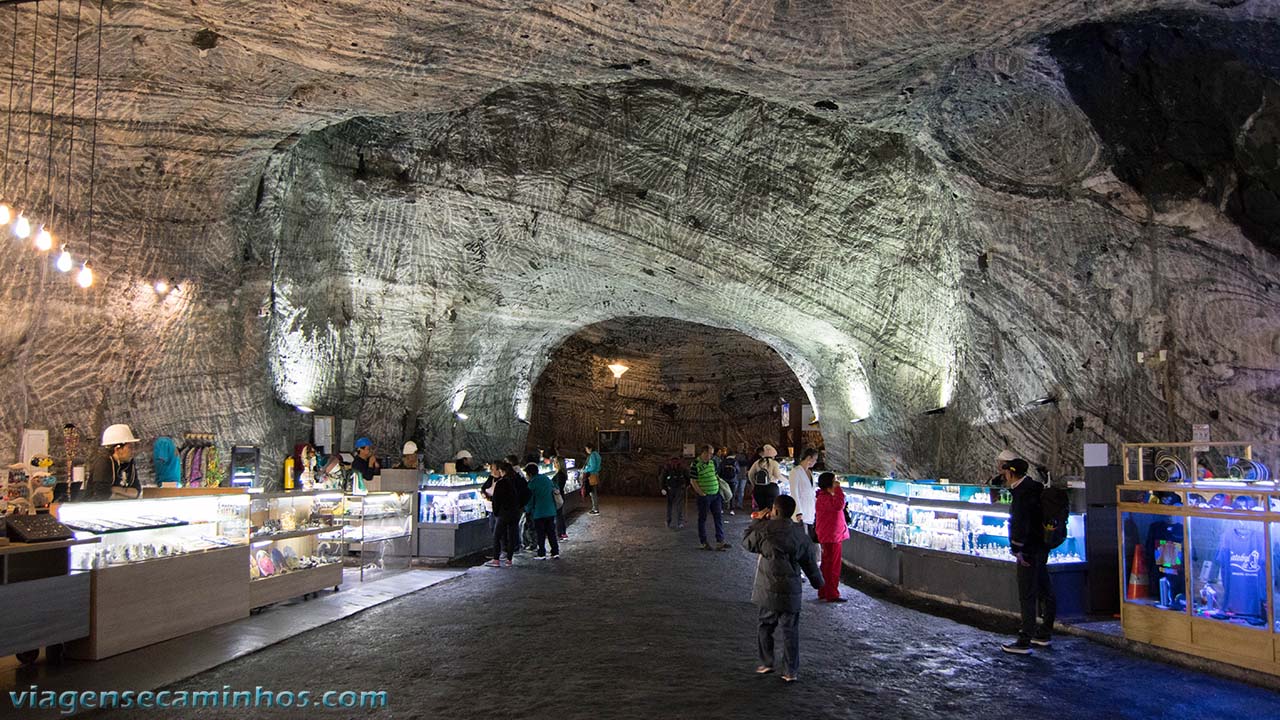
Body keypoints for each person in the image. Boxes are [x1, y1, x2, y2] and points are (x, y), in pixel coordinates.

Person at [743, 494, 823, 683]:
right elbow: (810, 564)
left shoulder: (764, 530)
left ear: (775, 511)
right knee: (790, 631)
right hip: (791, 591)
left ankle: (767, 662)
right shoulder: (800, 535)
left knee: (765, 626)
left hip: (767, 589)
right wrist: (818, 583)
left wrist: (757, 521)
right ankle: (790, 671)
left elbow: (746, 542)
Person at [1000, 457, 1057, 654]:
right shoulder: (1036, 487)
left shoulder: (1021, 494)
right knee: (1044, 589)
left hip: (1029, 550)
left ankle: (1025, 640)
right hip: (1042, 547)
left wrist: (1017, 550)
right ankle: (1044, 633)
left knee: (1027, 594)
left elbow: (1019, 523)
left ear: (1010, 473)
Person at [814, 472, 849, 602]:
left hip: (827, 534)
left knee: (826, 564)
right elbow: (839, 505)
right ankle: (832, 593)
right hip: (833, 536)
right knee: (833, 566)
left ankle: (823, 590)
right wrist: (839, 489)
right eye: (834, 481)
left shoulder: (821, 497)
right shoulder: (827, 499)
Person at [84, 424, 141, 501]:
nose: (133, 451)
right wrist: (127, 494)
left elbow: (136, 491)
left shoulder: (129, 463)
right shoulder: (103, 463)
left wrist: (116, 489)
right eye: (130, 447)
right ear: (117, 449)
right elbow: (102, 494)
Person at [484, 463, 523, 567]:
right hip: (514, 512)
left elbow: (496, 500)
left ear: (503, 471)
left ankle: (496, 560)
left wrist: (496, 512)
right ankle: (509, 560)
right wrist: (520, 506)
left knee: (497, 536)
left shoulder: (501, 483)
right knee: (511, 536)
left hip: (503, 513)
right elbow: (526, 493)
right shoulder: (516, 481)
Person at [689, 445, 728, 550]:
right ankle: (703, 542)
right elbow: (693, 481)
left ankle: (720, 541)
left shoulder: (712, 463)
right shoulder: (695, 464)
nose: (711, 456)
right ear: (703, 452)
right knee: (703, 518)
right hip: (705, 496)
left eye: (712, 453)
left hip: (715, 495)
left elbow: (715, 475)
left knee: (718, 517)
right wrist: (701, 493)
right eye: (709, 453)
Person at [523, 463, 561, 559]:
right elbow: (555, 487)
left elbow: (530, 500)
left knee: (540, 533)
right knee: (551, 532)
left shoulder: (532, 484)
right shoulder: (546, 479)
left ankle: (541, 553)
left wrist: (527, 510)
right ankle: (555, 551)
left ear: (530, 474)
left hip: (539, 512)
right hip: (551, 510)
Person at [790, 448, 820, 540]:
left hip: (810, 510)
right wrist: (798, 511)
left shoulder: (810, 472)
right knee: (802, 537)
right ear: (808, 458)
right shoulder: (795, 472)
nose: (815, 462)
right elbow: (794, 492)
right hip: (801, 510)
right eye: (815, 459)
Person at [748, 444, 784, 512]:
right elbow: (777, 475)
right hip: (771, 488)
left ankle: (762, 522)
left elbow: (750, 474)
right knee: (770, 510)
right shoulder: (774, 463)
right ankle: (769, 522)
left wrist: (754, 484)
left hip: (758, 488)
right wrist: (787, 480)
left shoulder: (757, 462)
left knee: (761, 510)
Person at [660, 457, 688, 529]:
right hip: (673, 488)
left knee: (672, 506)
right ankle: (677, 522)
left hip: (675, 488)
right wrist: (662, 488)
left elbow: (662, 478)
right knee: (677, 506)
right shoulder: (679, 467)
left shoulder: (669, 467)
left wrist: (662, 488)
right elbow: (662, 478)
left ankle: (671, 521)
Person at [717, 449, 741, 515]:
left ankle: (721, 509)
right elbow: (738, 471)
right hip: (733, 480)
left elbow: (719, 471)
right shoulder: (735, 462)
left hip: (724, 480)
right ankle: (732, 510)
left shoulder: (723, 462)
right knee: (732, 495)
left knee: (723, 494)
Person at [552, 455, 570, 540]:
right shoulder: (562, 473)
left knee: (558, 515)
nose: (554, 464)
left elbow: (557, 486)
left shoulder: (559, 475)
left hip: (557, 496)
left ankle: (560, 533)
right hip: (561, 495)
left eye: (555, 462)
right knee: (560, 514)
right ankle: (562, 532)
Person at [582, 444, 602, 515]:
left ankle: (595, 509)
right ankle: (595, 508)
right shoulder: (597, 454)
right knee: (593, 492)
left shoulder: (592, 455)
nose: (586, 450)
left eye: (586, 449)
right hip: (595, 474)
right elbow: (599, 466)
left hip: (591, 475)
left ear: (590, 448)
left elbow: (593, 466)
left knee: (593, 493)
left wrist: (585, 470)